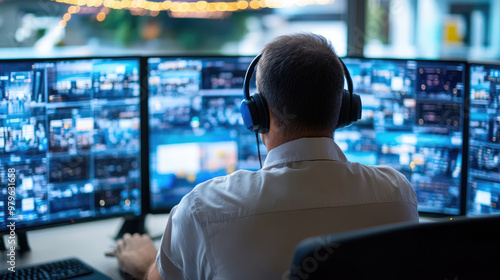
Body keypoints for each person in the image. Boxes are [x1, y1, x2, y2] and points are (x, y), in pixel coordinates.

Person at [110, 33, 419, 280]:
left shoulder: (203, 209)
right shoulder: (398, 194)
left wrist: (146, 262)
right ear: (344, 110)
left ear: (257, 113)